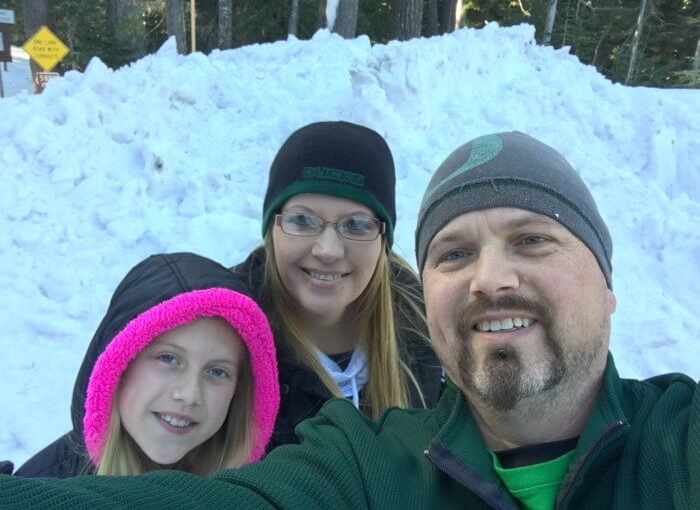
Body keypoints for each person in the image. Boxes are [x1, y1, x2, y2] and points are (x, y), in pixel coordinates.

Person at [2, 132, 698, 509]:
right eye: (456, 252)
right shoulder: (363, 458)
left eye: (533, 239)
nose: (491, 278)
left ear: (609, 282)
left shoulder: (676, 446)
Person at [230, 121, 441, 448]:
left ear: (382, 239)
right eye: (302, 220)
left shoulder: (428, 329)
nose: (327, 250)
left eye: (356, 225)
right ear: (272, 228)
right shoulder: (222, 337)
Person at [12, 252, 279, 478]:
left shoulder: (260, 489)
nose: (189, 394)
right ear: (119, 365)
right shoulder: (42, 492)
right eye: (169, 359)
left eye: (217, 372)